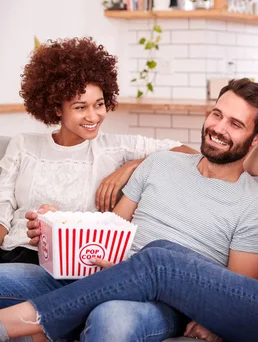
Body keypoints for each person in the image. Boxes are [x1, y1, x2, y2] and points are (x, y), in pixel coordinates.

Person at [0, 61, 258, 342]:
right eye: (217, 114)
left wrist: (225, 316)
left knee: (157, 259)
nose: (219, 127)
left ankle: (18, 324)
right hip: (110, 272)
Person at [0, 78, 258, 342]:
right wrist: (60, 226)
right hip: (98, 275)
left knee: (112, 318)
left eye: (235, 124)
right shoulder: (160, 163)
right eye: (217, 115)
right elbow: (112, 230)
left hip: (162, 302)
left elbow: (231, 294)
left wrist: (216, 325)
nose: (218, 128)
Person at [0, 37, 192, 265]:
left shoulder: (114, 148)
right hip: (12, 254)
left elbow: (187, 152)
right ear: (56, 108)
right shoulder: (23, 146)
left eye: (99, 104)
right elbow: (2, 215)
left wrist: (133, 166)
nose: (93, 116)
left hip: (64, 263)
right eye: (80, 107)